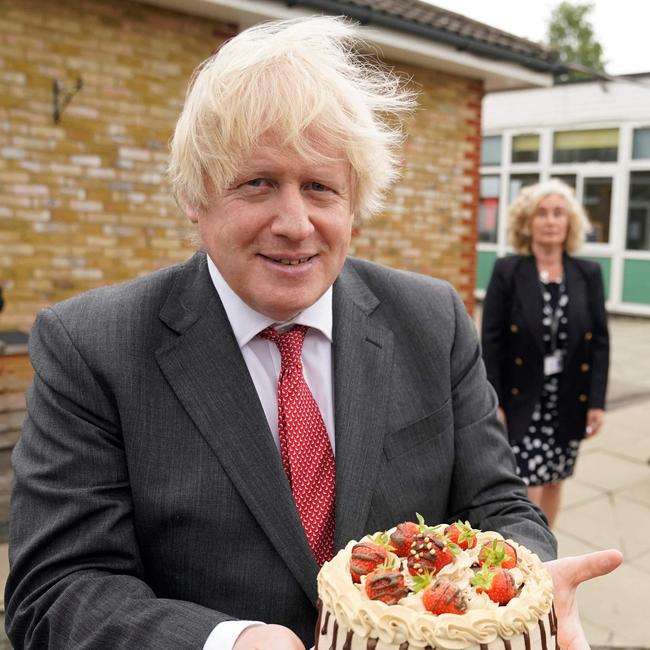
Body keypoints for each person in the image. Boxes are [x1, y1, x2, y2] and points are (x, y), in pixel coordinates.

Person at [5, 17, 620, 650]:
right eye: (258, 183)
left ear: (354, 202)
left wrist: (525, 589)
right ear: (197, 198)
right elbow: (56, 592)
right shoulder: (91, 347)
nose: (295, 223)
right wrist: (229, 643)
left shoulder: (432, 319)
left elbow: (498, 502)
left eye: (321, 187)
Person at [481, 179, 610, 527]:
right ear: (528, 222)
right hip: (523, 396)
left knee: (555, 478)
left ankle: (546, 549)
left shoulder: (587, 273)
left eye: (558, 213)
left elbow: (599, 340)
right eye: (542, 213)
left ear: (570, 223)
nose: (551, 221)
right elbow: (491, 340)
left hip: (568, 396)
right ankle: (530, 554)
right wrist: (494, 401)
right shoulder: (508, 271)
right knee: (527, 484)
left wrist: (596, 401)